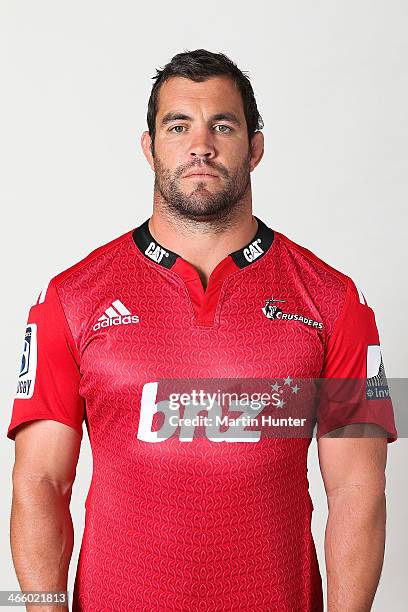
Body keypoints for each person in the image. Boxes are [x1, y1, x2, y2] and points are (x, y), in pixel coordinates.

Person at [7, 49, 398, 612]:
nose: (201, 145)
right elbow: (41, 482)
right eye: (178, 125)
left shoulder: (337, 301)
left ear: (255, 147)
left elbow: (358, 491)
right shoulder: (68, 298)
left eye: (222, 125)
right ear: (149, 148)